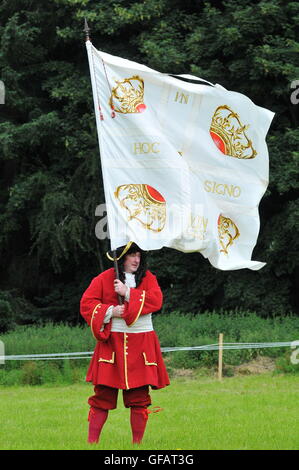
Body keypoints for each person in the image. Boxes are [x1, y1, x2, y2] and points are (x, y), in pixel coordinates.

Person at [80, 242, 170, 445]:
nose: (136, 260)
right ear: (121, 257)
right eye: (131, 255)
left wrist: (128, 292)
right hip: (112, 345)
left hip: (141, 345)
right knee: (102, 396)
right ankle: (91, 443)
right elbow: (86, 304)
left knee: (139, 398)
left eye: (139, 255)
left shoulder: (148, 278)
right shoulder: (104, 279)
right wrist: (111, 311)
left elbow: (156, 300)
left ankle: (136, 445)